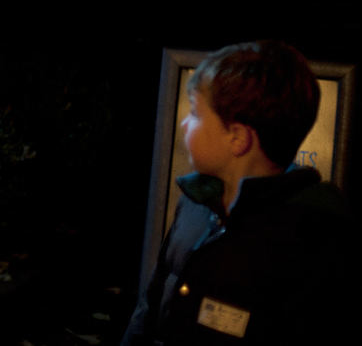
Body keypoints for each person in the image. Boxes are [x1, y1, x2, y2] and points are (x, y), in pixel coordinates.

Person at [121, 40, 357, 345]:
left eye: (195, 112)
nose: (183, 123)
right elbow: (150, 307)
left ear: (238, 138)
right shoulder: (196, 202)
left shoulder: (312, 240)